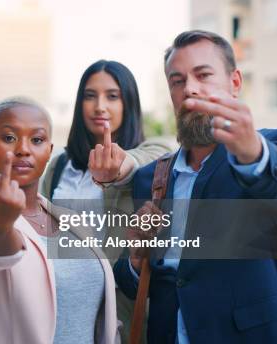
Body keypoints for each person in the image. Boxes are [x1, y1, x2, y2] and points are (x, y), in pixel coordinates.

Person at [114, 30, 277, 343]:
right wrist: (135, 257)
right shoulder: (149, 178)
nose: (190, 89)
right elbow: (138, 284)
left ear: (235, 82)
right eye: (178, 80)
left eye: (203, 75)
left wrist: (252, 151)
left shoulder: (268, 148)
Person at [0, 97, 120, 343]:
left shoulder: (73, 221)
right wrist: (1, 227)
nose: (23, 149)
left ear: (49, 150)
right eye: (9, 138)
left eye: (36, 140)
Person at [41, 59, 173, 343]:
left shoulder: (155, 152)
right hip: (61, 316)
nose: (100, 105)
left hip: (119, 315)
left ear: (129, 103)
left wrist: (119, 167)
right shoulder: (58, 167)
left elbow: (140, 164)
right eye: (90, 96)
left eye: (112, 96)